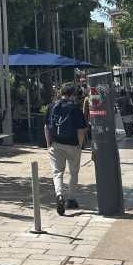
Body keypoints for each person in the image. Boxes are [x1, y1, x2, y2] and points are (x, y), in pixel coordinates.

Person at [44, 83, 88, 216]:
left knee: (57, 172)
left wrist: (48, 143)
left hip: (56, 143)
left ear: (60, 93)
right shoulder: (75, 108)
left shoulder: (51, 107)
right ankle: (71, 199)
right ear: (73, 94)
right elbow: (81, 129)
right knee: (73, 172)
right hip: (72, 144)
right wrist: (80, 145)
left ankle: (59, 194)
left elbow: (46, 127)